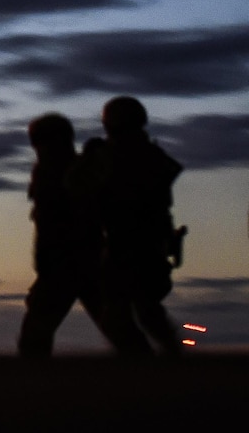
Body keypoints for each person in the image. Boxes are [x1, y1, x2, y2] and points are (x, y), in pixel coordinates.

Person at [16, 114, 149, 358]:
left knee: (38, 334)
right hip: (68, 264)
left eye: (42, 140)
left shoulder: (79, 172)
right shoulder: (52, 171)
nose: (39, 147)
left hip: (79, 262)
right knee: (38, 334)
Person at [70, 96, 185, 356]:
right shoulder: (151, 155)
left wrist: (88, 158)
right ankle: (169, 358)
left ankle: (146, 362)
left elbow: (75, 186)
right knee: (147, 309)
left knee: (121, 314)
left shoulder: (113, 156)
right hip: (150, 243)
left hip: (126, 244)